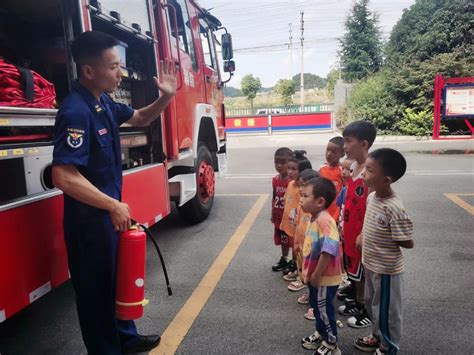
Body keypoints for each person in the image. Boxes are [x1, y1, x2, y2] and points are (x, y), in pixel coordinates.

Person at [51, 31, 177, 354]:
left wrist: (166, 97)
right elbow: (63, 175)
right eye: (114, 66)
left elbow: (139, 117)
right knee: (95, 296)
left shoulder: (103, 100)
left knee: (115, 283)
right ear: (89, 71)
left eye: (119, 66)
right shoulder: (76, 111)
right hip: (88, 225)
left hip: (108, 217)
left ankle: (125, 337)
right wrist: (112, 204)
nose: (120, 73)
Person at [354, 148, 414, 354]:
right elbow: (368, 223)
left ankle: (389, 346)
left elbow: (407, 242)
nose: (363, 174)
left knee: (387, 311)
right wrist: (362, 236)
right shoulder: (372, 197)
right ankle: (377, 336)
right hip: (371, 264)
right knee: (373, 305)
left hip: (387, 271)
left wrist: (394, 235)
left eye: (369, 171)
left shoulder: (394, 207)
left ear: (386, 179)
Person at [337, 120, 377, 329]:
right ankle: (357, 300)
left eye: (348, 141)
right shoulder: (353, 166)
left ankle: (366, 309)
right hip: (349, 228)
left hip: (362, 231)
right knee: (353, 268)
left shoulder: (370, 171)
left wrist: (364, 233)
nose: (345, 146)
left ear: (364, 143)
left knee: (364, 271)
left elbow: (372, 206)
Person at [300, 178, 342, 355]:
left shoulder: (325, 220)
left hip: (324, 278)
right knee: (317, 308)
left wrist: (317, 274)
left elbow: (329, 249)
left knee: (324, 310)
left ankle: (331, 343)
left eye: (305, 196)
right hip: (316, 277)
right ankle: (322, 332)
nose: (301, 199)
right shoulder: (314, 218)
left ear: (320, 201)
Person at [280, 150, 309, 279]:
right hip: (290, 223)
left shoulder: (303, 189)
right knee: (294, 246)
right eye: (289, 168)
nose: (290, 172)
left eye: (294, 169)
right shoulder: (290, 184)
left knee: (300, 248)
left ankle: (300, 272)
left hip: (299, 225)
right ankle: (294, 265)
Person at [271, 147, 293, 271]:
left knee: (291, 239)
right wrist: (272, 212)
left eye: (283, 162)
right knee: (283, 239)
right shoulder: (275, 180)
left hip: (289, 217)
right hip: (278, 215)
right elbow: (274, 197)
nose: (279, 165)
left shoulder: (292, 181)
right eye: (276, 162)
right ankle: (284, 258)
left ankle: (295, 262)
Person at [319, 136, 345, 222]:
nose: (329, 154)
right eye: (327, 150)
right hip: (322, 212)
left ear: (342, 154)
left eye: (333, 152)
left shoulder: (342, 171)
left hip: (336, 215)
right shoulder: (322, 169)